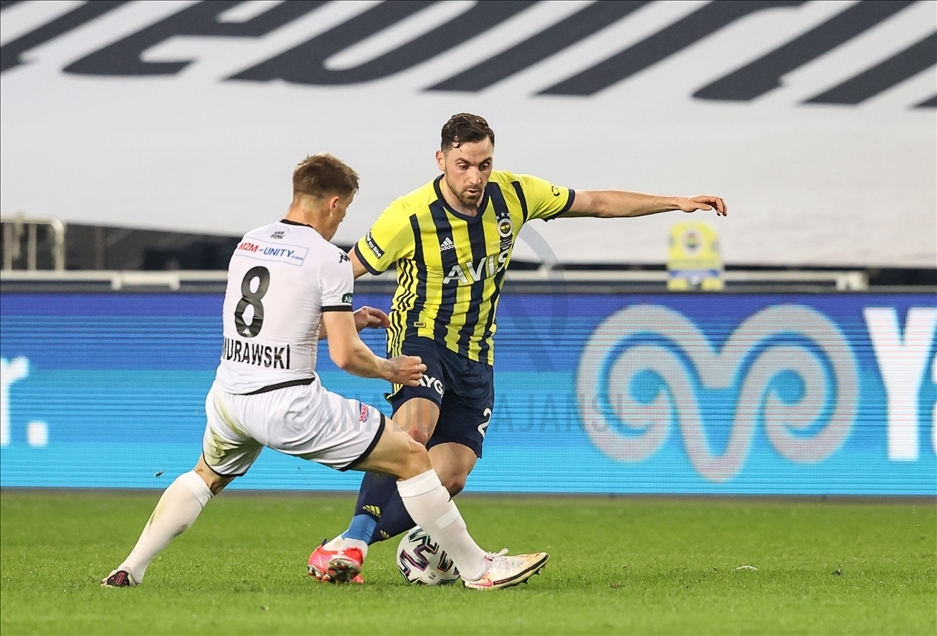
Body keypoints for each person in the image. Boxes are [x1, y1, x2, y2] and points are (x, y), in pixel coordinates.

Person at [308, 114, 727, 582]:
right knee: (414, 433)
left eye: (484, 164)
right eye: (464, 165)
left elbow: (597, 202)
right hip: (421, 339)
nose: (475, 177)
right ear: (441, 159)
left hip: (476, 354)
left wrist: (675, 202)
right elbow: (341, 272)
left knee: (449, 477)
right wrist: (311, 324)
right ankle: (358, 542)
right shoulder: (408, 215)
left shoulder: (514, 194)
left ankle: (345, 546)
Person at [102, 153, 549, 590]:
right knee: (412, 456)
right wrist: (390, 368)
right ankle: (478, 569)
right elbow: (346, 356)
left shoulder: (250, 243)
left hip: (229, 398)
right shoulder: (329, 258)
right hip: (289, 403)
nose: (342, 220)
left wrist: (349, 320)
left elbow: (278, 326)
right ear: (334, 203)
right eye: (346, 209)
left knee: (206, 477)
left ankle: (129, 568)